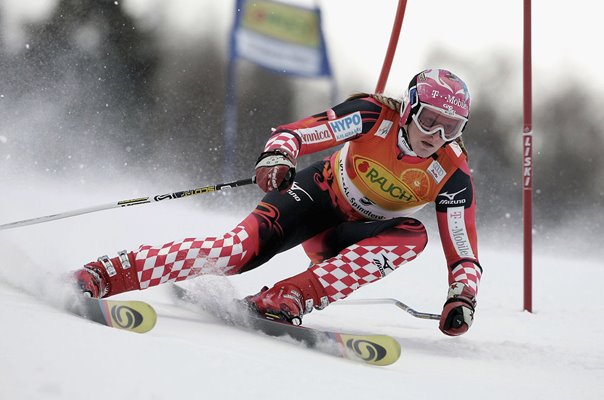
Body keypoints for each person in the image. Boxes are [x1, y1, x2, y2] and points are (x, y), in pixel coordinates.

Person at [73, 68, 482, 336]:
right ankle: (108, 273)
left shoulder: (451, 171)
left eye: (452, 128)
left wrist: (462, 295)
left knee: (414, 234)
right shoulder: (373, 116)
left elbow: (463, 251)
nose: (436, 135)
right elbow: (299, 133)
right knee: (236, 253)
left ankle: (287, 298)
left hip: (352, 237)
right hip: (316, 196)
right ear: (410, 107)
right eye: (429, 119)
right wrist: (278, 155)